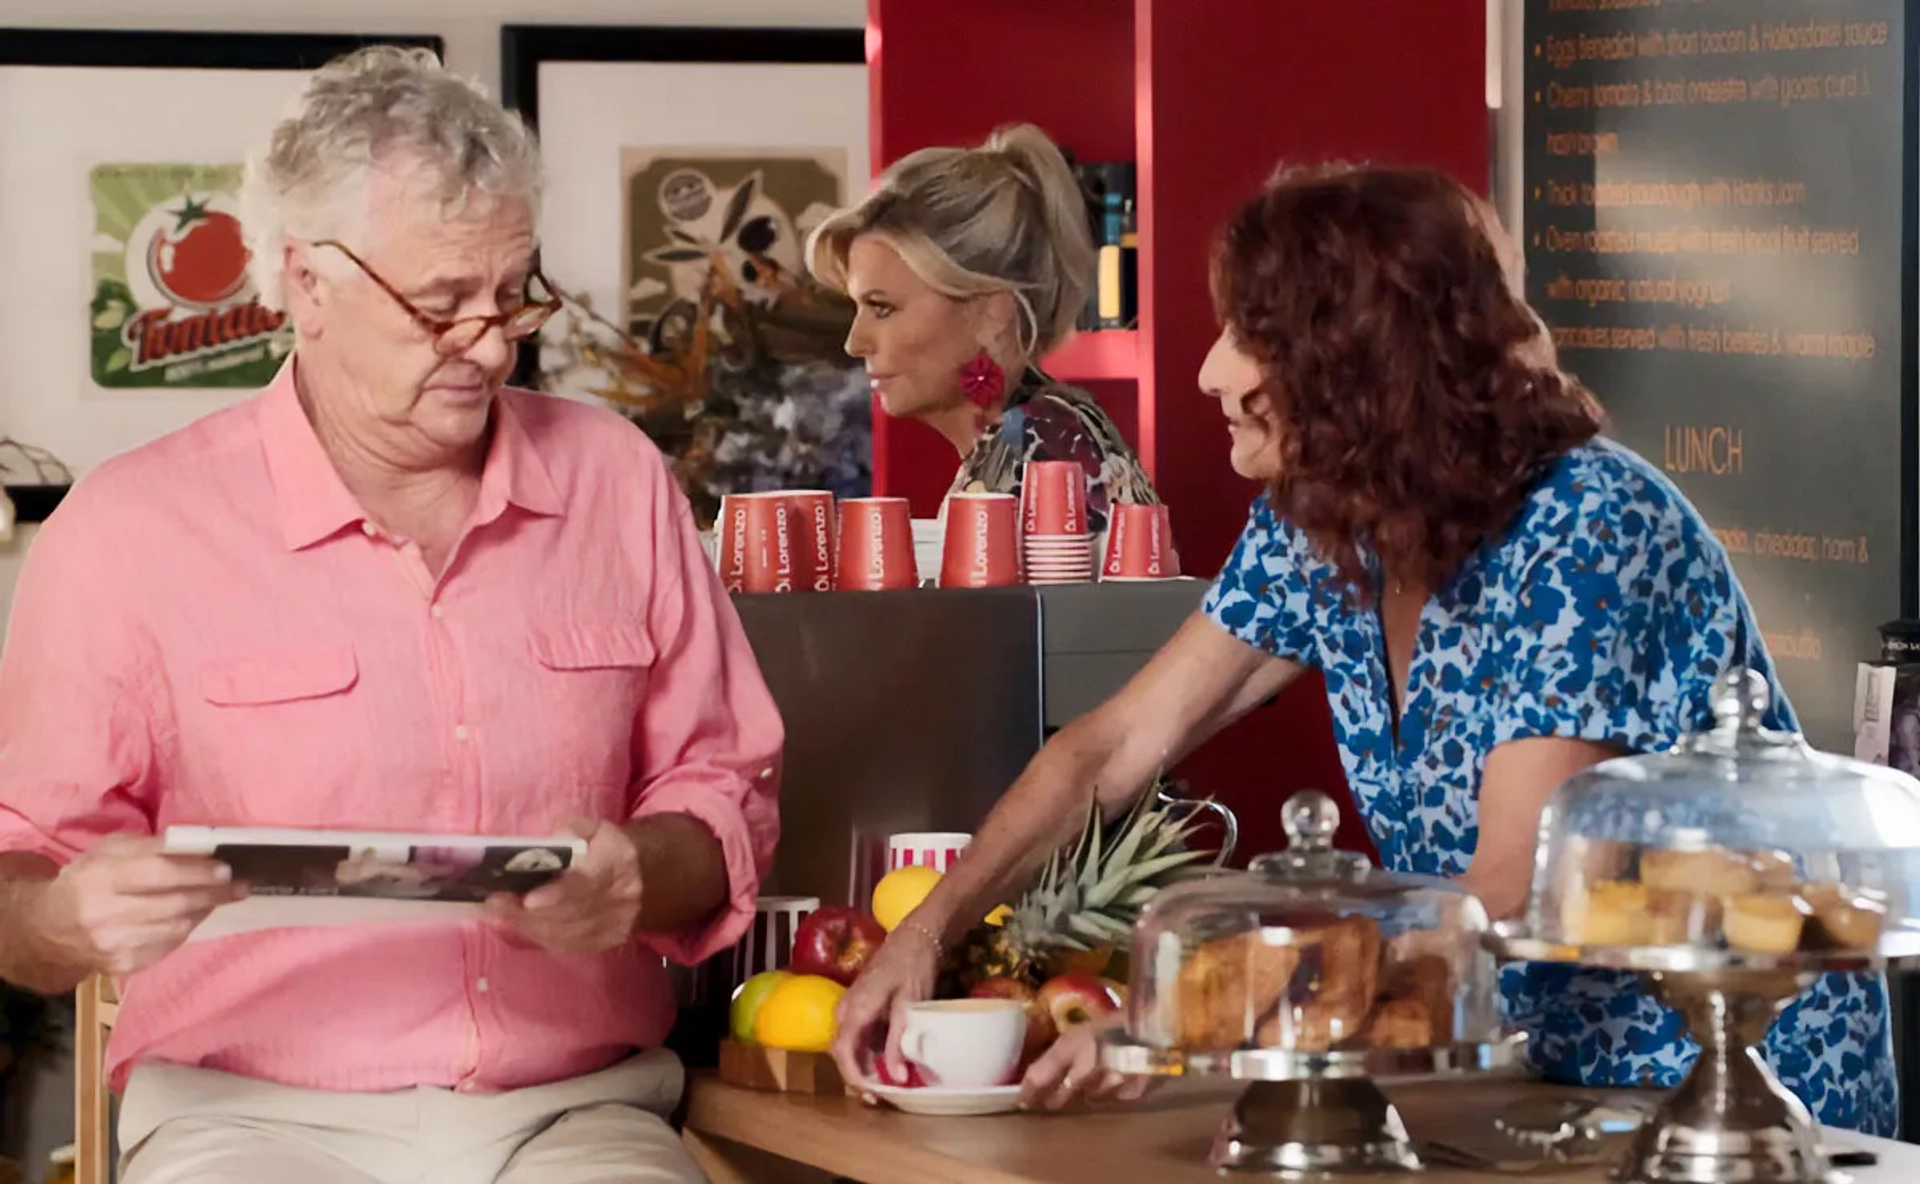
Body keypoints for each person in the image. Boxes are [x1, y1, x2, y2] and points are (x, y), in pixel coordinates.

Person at [832, 162, 1897, 1134]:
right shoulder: (1319, 519)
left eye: (1246, 334)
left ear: (1351, 359)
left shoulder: (1587, 528)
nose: (1208, 374)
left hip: (1733, 1098)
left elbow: (1515, 881)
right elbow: (1111, 747)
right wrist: (926, 931)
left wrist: (1192, 1023)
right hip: (1539, 1084)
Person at [0, 47, 783, 1183]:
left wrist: (637, 875)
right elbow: (16, 880)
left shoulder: (618, 483)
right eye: (440, 303)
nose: (491, 342)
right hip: (247, 1121)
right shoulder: (125, 530)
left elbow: (725, 798)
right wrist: (66, 921)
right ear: (303, 279)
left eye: (510, 292)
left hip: (574, 1113)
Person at [806, 123, 1156, 532]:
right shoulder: (1028, 438)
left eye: (882, 309)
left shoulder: (1041, 451)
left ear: (991, 314)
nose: (855, 342)